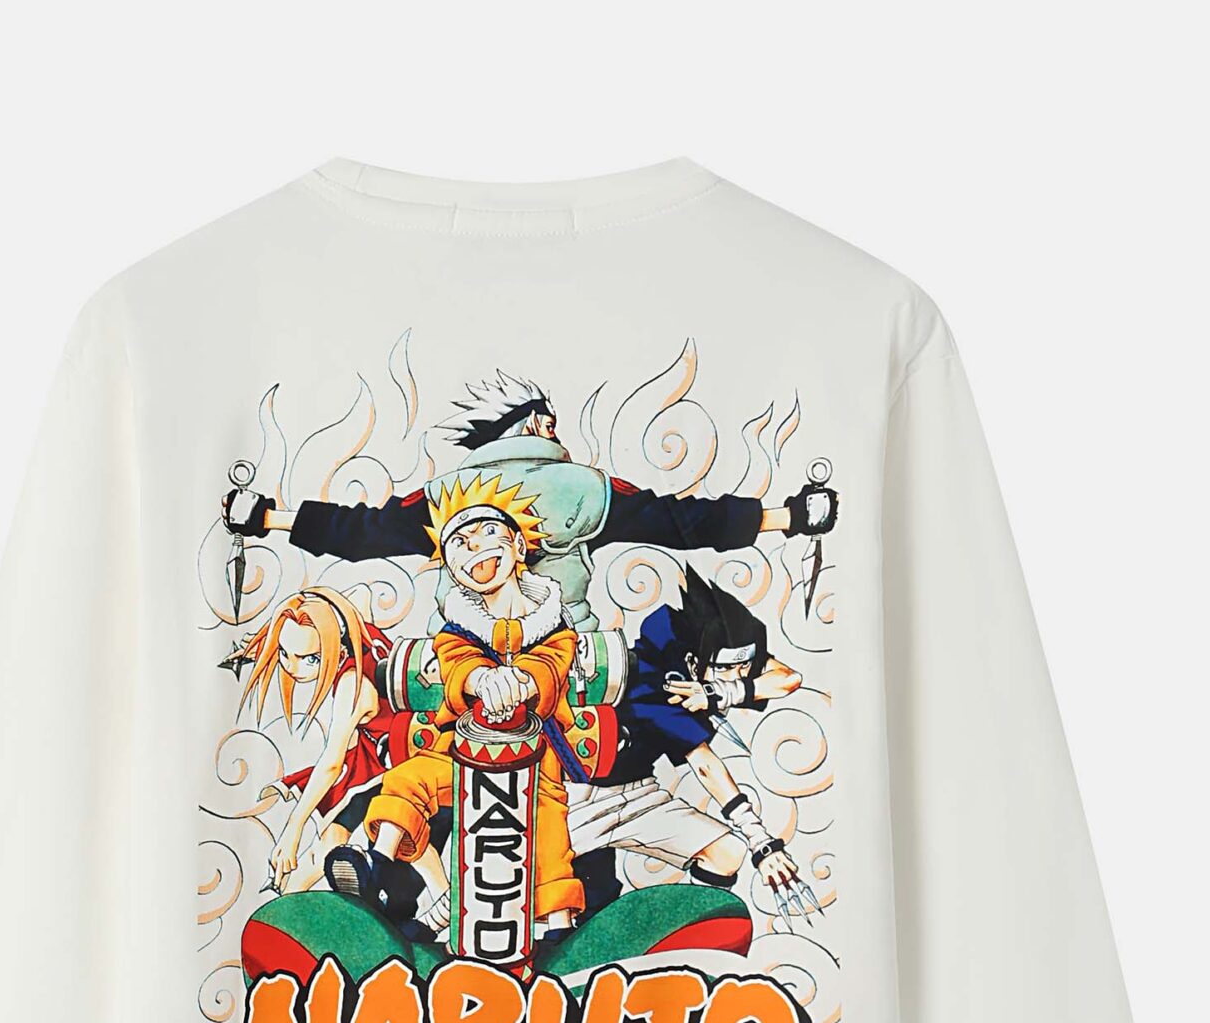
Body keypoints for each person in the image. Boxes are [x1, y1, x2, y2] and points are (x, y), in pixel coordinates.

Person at [222, 370, 838, 631]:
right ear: (538, 424)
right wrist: (788, 517)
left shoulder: (441, 497)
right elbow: (681, 523)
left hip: (459, 660)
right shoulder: (586, 487)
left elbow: (360, 534)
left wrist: (267, 518)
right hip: (570, 656)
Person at [325, 472, 592, 933]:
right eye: (459, 545)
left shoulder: (553, 623)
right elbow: (458, 665)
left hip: (536, 756)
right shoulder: (457, 629)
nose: (475, 549)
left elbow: (551, 667)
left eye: (488, 533)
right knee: (408, 779)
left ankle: (559, 925)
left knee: (549, 826)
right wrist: (481, 678)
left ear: (518, 546)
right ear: (451, 568)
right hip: (463, 750)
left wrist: (523, 682)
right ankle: (375, 864)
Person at [568, 568, 819, 918]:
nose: (737, 676)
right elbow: (705, 766)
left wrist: (721, 690)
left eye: (744, 668)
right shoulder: (661, 684)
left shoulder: (712, 661)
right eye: (725, 669)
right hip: (582, 799)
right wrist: (761, 841)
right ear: (691, 662)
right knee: (570, 896)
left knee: (726, 853)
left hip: (641, 795)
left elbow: (788, 678)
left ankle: (680, 929)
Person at [233, 586, 447, 918]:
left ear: (334, 646)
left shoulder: (353, 686)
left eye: (311, 658)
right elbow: (358, 593)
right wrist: (267, 639)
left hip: (409, 760)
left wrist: (292, 832)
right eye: (285, 653)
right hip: (384, 757)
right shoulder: (357, 627)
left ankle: (442, 897)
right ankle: (286, 908)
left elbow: (331, 764)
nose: (294, 668)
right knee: (333, 836)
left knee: (398, 826)